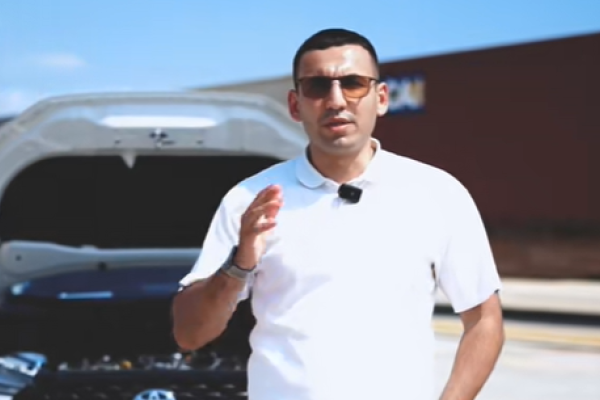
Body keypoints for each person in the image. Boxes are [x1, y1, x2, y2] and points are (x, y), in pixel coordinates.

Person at [172, 28, 505, 400]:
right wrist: (239, 264)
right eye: (317, 86)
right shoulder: (249, 199)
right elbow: (189, 334)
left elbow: (484, 320)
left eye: (353, 84)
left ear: (381, 98)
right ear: (295, 105)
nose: (336, 100)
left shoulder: (437, 193)